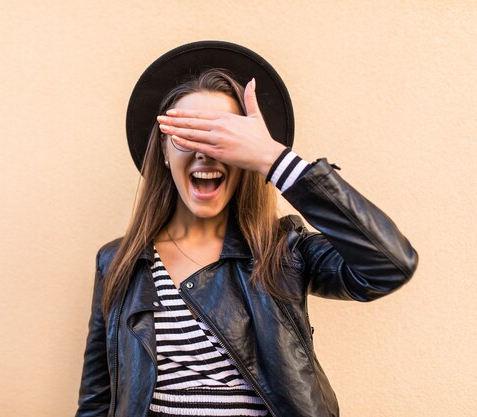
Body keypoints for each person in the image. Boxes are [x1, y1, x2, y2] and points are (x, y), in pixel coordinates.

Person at [75, 41, 418, 417]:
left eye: (222, 135)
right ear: (162, 150)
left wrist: (274, 159)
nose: (205, 151)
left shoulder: (284, 252)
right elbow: (97, 400)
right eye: (187, 134)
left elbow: (390, 264)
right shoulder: (118, 262)